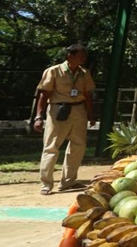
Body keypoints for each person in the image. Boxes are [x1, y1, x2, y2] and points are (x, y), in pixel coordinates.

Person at [33, 44, 96, 195]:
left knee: (78, 145)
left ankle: (68, 181)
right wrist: (38, 117)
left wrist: (91, 114)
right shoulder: (53, 71)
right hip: (58, 109)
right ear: (70, 56)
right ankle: (46, 183)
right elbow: (44, 95)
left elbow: (87, 95)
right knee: (51, 146)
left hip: (78, 109)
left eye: (84, 56)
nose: (84, 58)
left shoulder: (84, 73)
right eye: (81, 55)